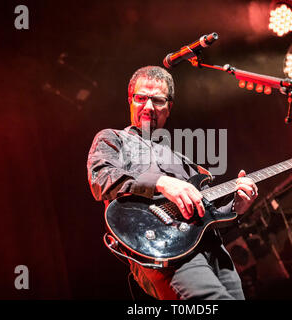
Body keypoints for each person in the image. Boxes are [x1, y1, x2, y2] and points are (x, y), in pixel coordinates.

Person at [87, 66, 258, 300]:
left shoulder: (185, 161)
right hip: (162, 248)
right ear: (131, 100)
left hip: (211, 249)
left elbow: (210, 214)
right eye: (141, 98)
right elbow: (100, 178)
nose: (148, 107)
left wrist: (237, 207)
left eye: (158, 100)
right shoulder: (113, 138)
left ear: (169, 107)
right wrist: (161, 183)